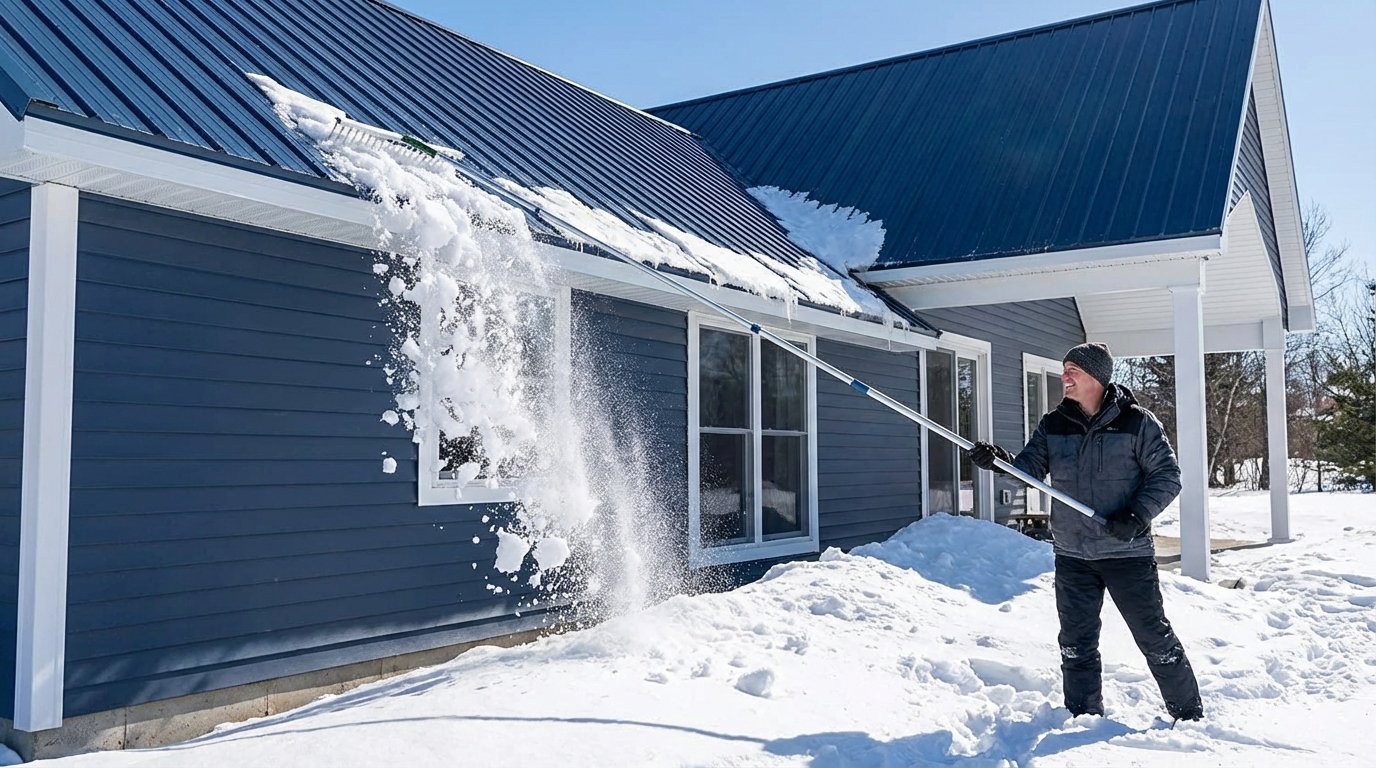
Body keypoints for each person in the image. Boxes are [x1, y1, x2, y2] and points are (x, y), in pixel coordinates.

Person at [970, 342, 1203, 723]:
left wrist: (1136, 515)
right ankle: (1083, 718)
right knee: (1075, 644)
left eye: (1072, 371)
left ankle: (1189, 715)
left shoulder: (1137, 423)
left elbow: (1168, 476)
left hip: (1126, 553)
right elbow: (1028, 470)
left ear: (1096, 376)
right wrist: (998, 461)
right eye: (1064, 370)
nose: (1064, 377)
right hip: (1073, 554)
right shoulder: (1054, 424)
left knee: (1153, 637)